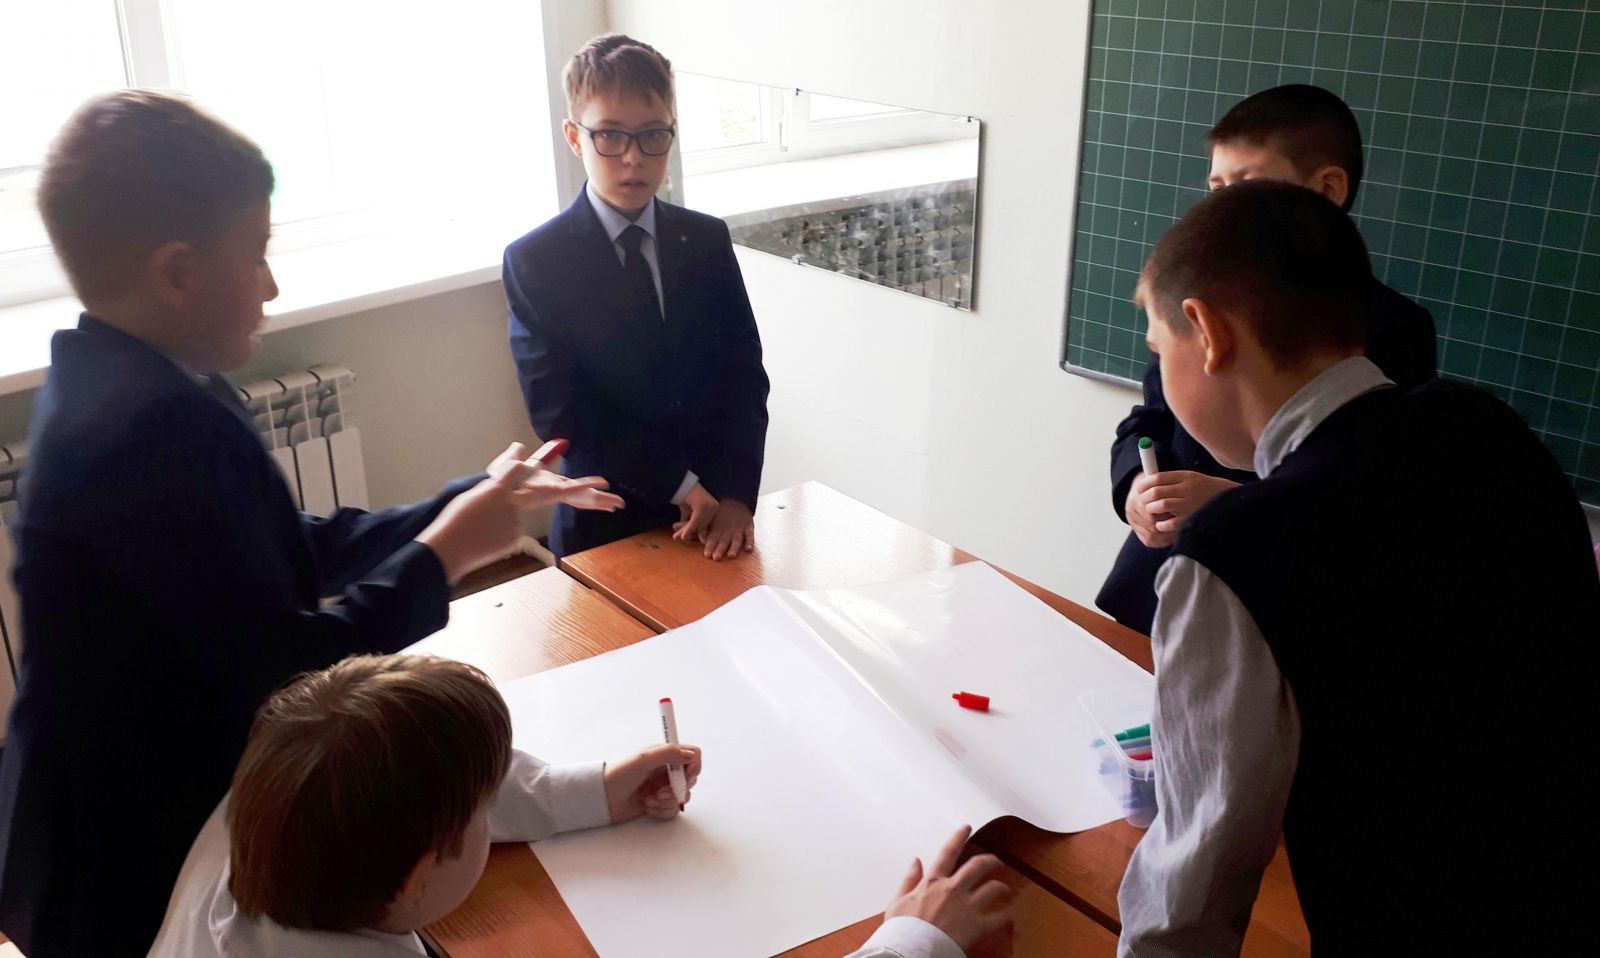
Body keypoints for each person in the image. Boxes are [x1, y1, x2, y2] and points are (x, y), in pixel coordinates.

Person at [0, 90, 620, 955]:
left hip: (138, 797)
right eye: (255, 256)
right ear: (175, 274)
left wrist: (464, 501)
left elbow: (290, 550)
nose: (272, 285)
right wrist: (442, 556)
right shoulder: (136, 435)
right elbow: (285, 679)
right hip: (124, 854)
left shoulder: (148, 380)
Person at [1116, 179, 1597, 955]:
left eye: (1158, 347)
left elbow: (1189, 894)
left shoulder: (1236, 550)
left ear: (1205, 333)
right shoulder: (1484, 426)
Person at [1098, 84, 1437, 635]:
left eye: (1248, 182)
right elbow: (1149, 419)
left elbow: (1375, 495)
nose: (1224, 206)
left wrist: (1242, 505)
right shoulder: (1183, 297)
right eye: (1216, 188)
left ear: (1327, 188)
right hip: (1154, 587)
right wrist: (1136, 485)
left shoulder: (1392, 328)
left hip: (1279, 604)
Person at [505, 34, 770, 561]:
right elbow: (561, 415)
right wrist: (678, 484)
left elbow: (744, 375)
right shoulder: (537, 260)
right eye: (610, 135)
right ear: (575, 137)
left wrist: (737, 495)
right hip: (604, 521)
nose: (634, 158)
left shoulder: (707, 239)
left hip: (716, 517)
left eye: (653, 135)